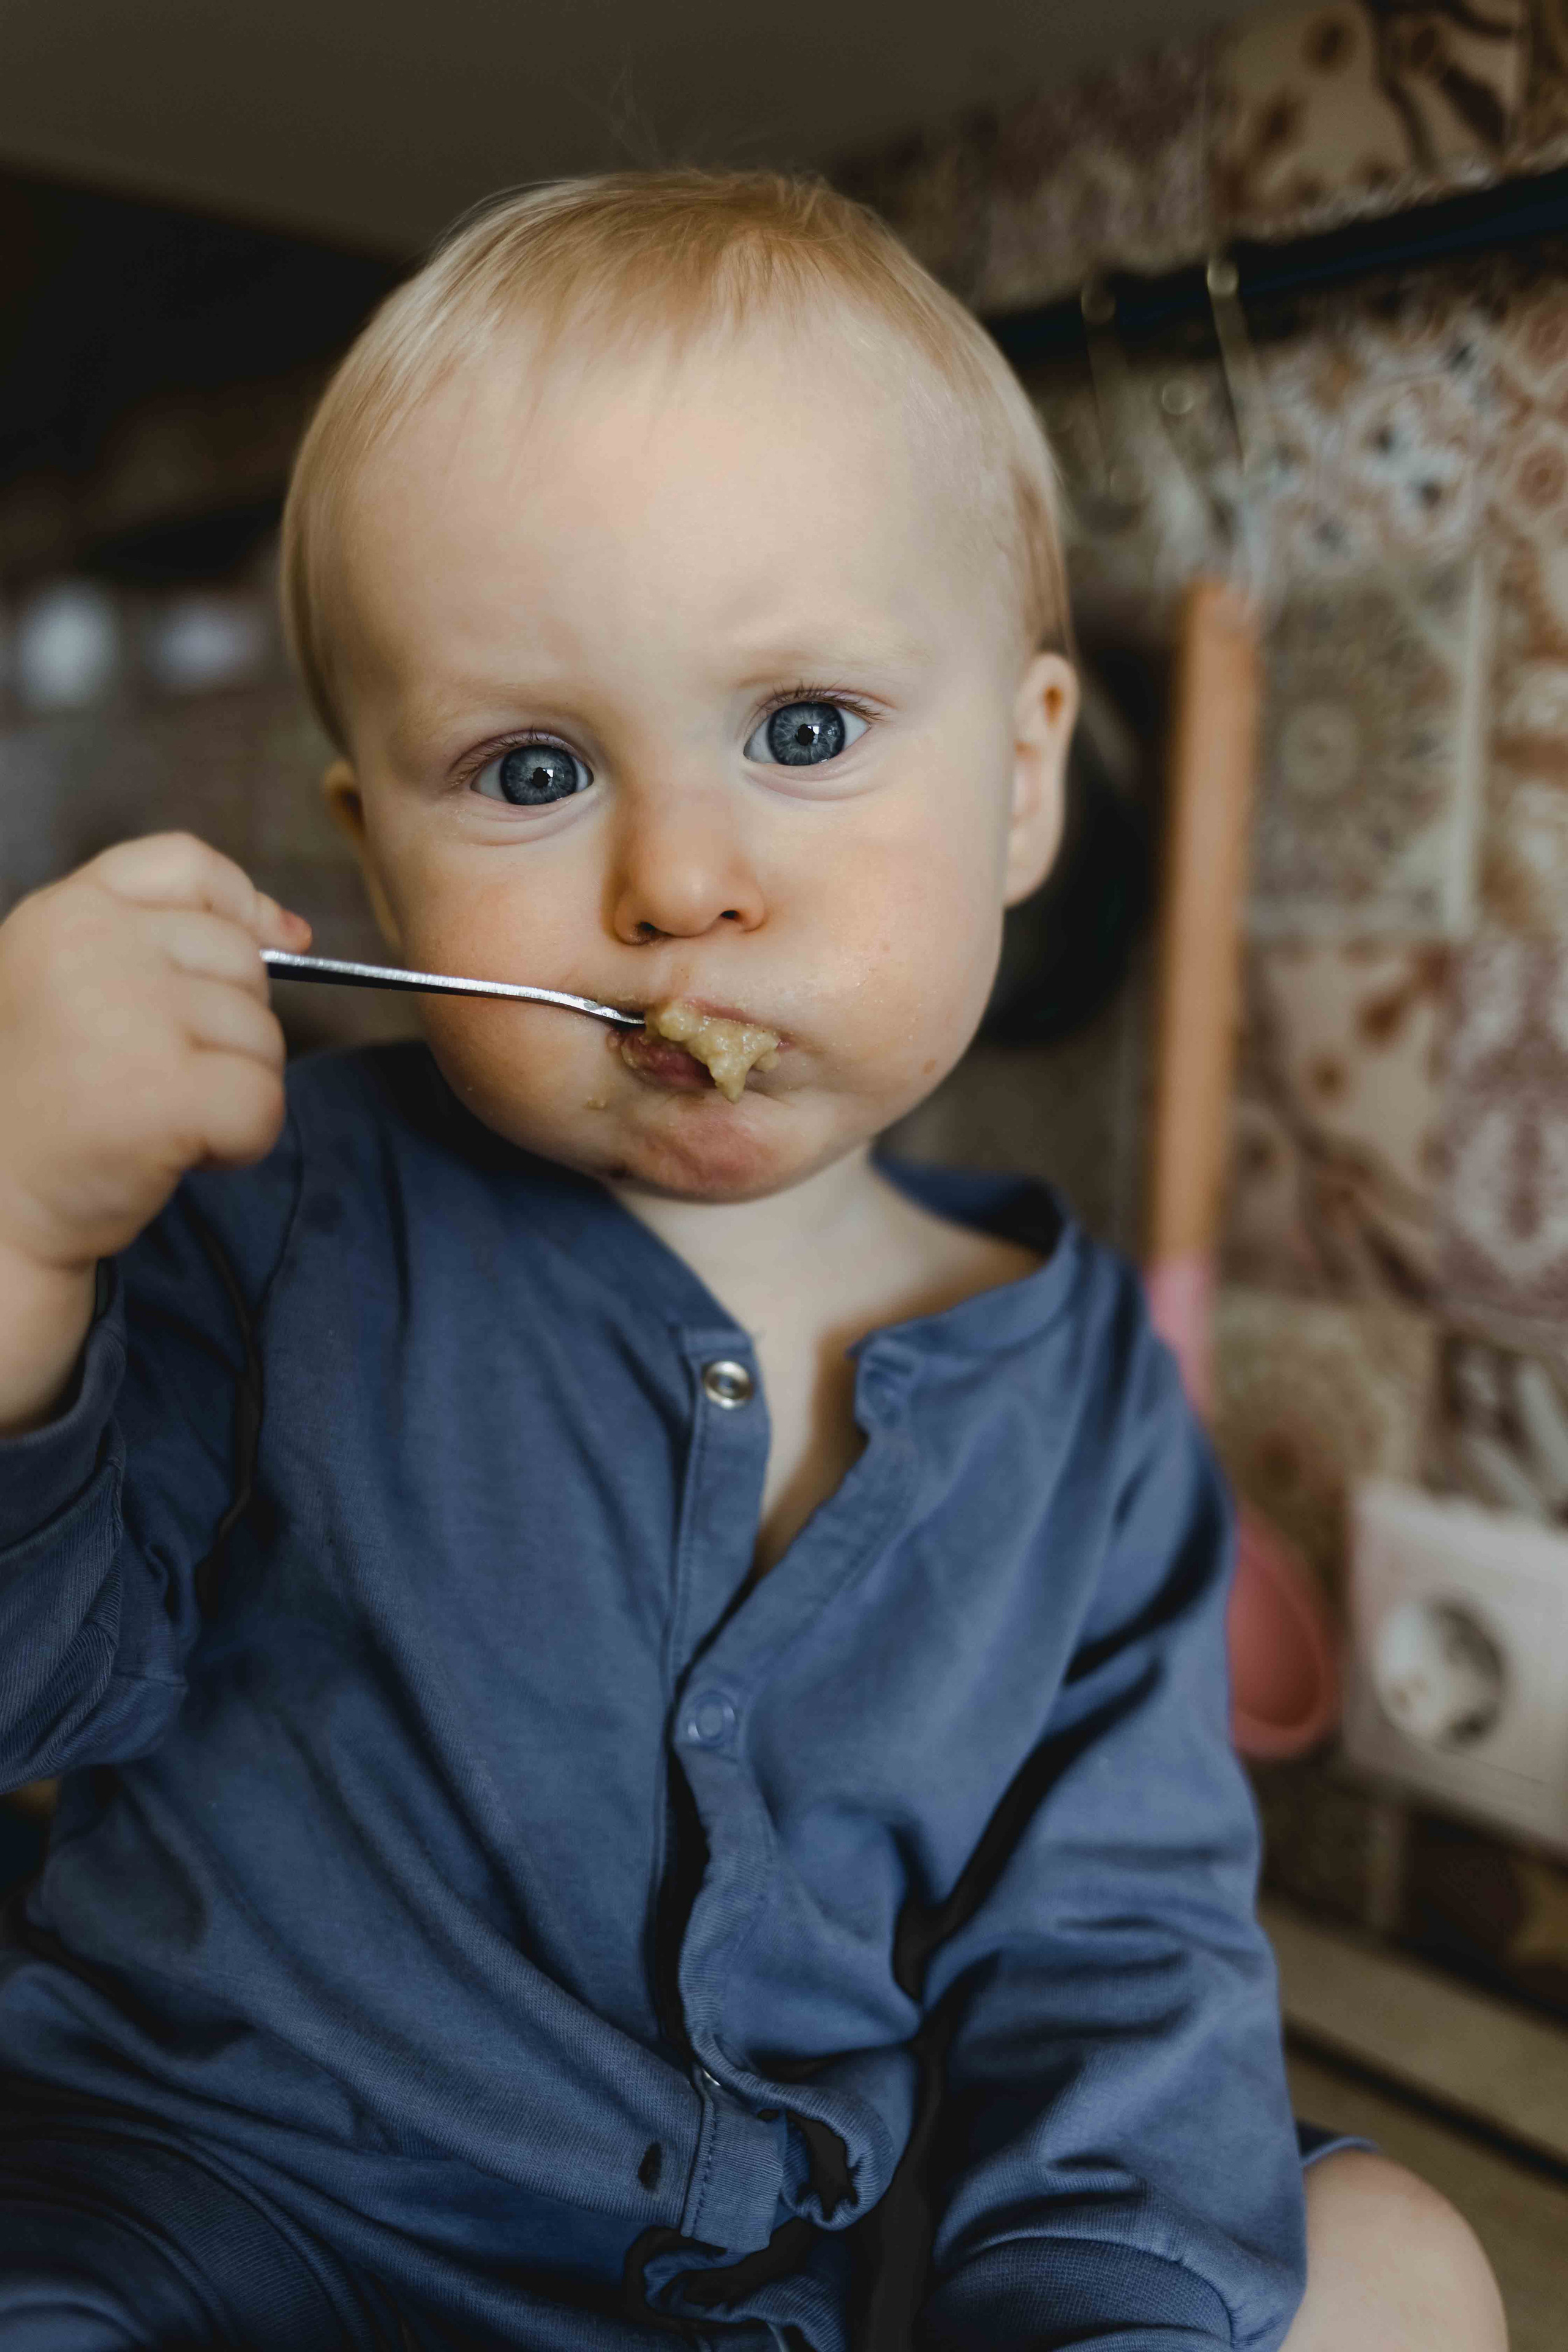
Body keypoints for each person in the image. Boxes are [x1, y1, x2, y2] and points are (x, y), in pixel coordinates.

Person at [0, 172, 1503, 2352]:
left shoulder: (1084, 1410)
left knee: (1391, 2267)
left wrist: (1109, 2305)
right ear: (378, 855)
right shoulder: (274, 1220)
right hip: (199, 2243)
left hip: (735, 2305)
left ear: (1022, 785)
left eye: (803, 729)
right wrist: (23, 1231)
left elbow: (1116, 1963)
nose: (681, 881)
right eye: (531, 768)